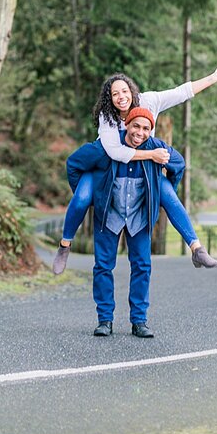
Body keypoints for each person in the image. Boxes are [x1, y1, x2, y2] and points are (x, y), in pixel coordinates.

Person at [52, 68, 217, 275]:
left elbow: (182, 92)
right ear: (109, 99)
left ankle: (196, 248)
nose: (121, 97)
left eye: (124, 91)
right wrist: (151, 155)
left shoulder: (149, 101)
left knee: (168, 195)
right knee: (82, 197)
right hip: (107, 166)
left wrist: (212, 78)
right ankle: (65, 246)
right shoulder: (108, 116)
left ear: (132, 91)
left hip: (141, 169)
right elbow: (115, 152)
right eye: (115, 94)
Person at [66, 107, 181, 337]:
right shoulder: (107, 147)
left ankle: (139, 321)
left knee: (142, 267)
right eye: (136, 126)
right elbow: (73, 164)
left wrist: (165, 190)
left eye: (146, 128)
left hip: (139, 217)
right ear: (126, 124)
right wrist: (89, 196)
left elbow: (178, 165)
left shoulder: (155, 148)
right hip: (109, 216)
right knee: (103, 267)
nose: (140, 132)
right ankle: (104, 320)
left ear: (151, 131)